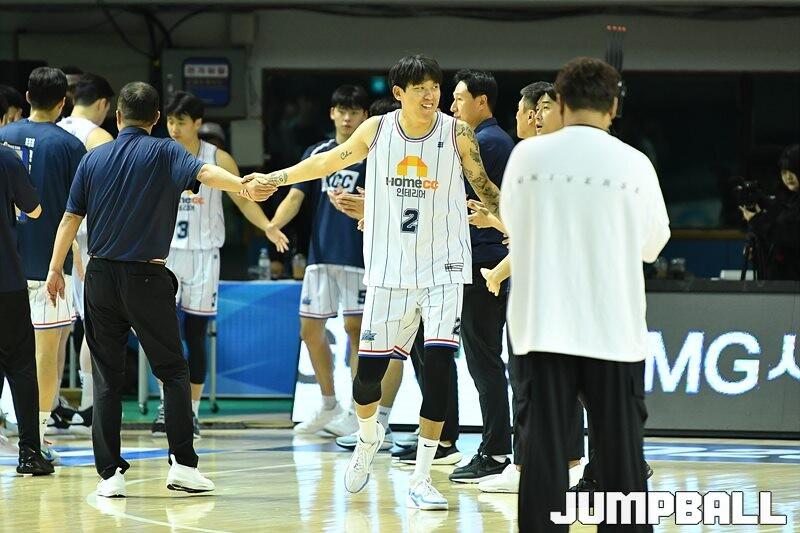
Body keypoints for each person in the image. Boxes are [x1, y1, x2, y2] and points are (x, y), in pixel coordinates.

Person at [245, 54, 501, 511]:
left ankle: (422, 475)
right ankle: (368, 435)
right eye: (420, 88)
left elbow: (485, 189)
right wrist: (275, 178)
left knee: (439, 370)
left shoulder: (457, 133)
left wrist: (518, 223)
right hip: (389, 270)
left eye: (435, 87)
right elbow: (326, 162)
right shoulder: (377, 130)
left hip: (444, 268)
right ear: (399, 93)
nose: (430, 95)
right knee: (367, 380)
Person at [44, 81, 274, 498]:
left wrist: (55, 269)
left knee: (107, 378)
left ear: (118, 117)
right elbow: (206, 173)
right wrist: (243, 185)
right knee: (173, 370)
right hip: (147, 279)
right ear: (156, 118)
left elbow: (69, 219)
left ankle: (109, 476)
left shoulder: (93, 158)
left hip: (98, 277)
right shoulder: (167, 151)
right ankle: (182, 465)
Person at [502, 57, 670, 532]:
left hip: (541, 327)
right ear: (613, 105)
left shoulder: (527, 158)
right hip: (612, 330)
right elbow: (653, 244)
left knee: (543, 458)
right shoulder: (634, 163)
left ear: (560, 102)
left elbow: (513, 223)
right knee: (621, 461)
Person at [151, 91, 280, 439]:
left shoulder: (217, 157)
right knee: (164, 336)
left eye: (181, 122)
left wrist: (267, 226)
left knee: (195, 336)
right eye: (170, 121)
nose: (174, 128)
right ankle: (166, 406)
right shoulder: (159, 154)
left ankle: (191, 412)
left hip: (204, 254)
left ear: (197, 123)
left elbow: (243, 199)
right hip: (165, 254)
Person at [263, 85, 372, 440]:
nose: (347, 117)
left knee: (357, 331)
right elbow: (295, 195)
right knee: (310, 330)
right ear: (331, 113)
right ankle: (328, 404)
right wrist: (273, 224)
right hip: (321, 256)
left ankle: (358, 413)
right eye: (341, 110)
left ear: (365, 117)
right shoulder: (318, 153)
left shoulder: (372, 154)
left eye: (354, 112)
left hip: (359, 256)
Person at [0, 67, 87, 464]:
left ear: (27, 96)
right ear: (63, 102)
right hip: (48, 263)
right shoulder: (70, 146)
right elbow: (79, 208)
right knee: (44, 354)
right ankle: (36, 437)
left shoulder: (5, 136)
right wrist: (77, 252)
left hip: (9, 262)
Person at [447, 69, 516, 486]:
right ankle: (496, 447)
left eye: (459, 99)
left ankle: (495, 451)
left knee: (484, 359)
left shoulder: (486, 143)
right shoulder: (493, 140)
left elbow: (454, 198)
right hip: (484, 258)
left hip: (486, 261)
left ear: (481, 102)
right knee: (484, 358)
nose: (452, 107)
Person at [56, 73, 116, 435]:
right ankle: (91, 403)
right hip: (87, 238)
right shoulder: (99, 138)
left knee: (54, 327)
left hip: (50, 237)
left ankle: (49, 405)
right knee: (94, 322)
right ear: (104, 104)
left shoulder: (52, 129)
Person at [0, 98, 54, 475]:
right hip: (6, 279)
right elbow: (34, 209)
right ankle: (30, 453)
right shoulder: (7, 158)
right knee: (20, 364)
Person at [741, 144, 800, 280]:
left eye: (793, 171)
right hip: (782, 284)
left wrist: (757, 220)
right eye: (784, 172)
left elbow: (790, 235)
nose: (788, 177)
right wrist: (757, 249)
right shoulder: (789, 201)